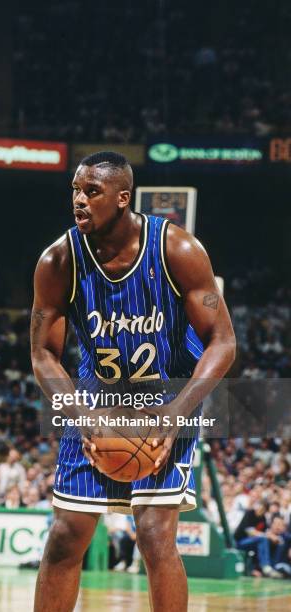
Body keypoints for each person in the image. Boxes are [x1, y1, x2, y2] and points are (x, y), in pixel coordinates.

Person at [30, 151, 236, 611]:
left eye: (92, 191)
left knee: (153, 534)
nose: (79, 201)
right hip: (96, 398)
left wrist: (172, 417)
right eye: (75, 191)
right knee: (65, 536)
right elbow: (43, 354)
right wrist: (82, 417)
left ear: (123, 198)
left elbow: (222, 342)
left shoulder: (177, 249)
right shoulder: (58, 260)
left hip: (169, 396)